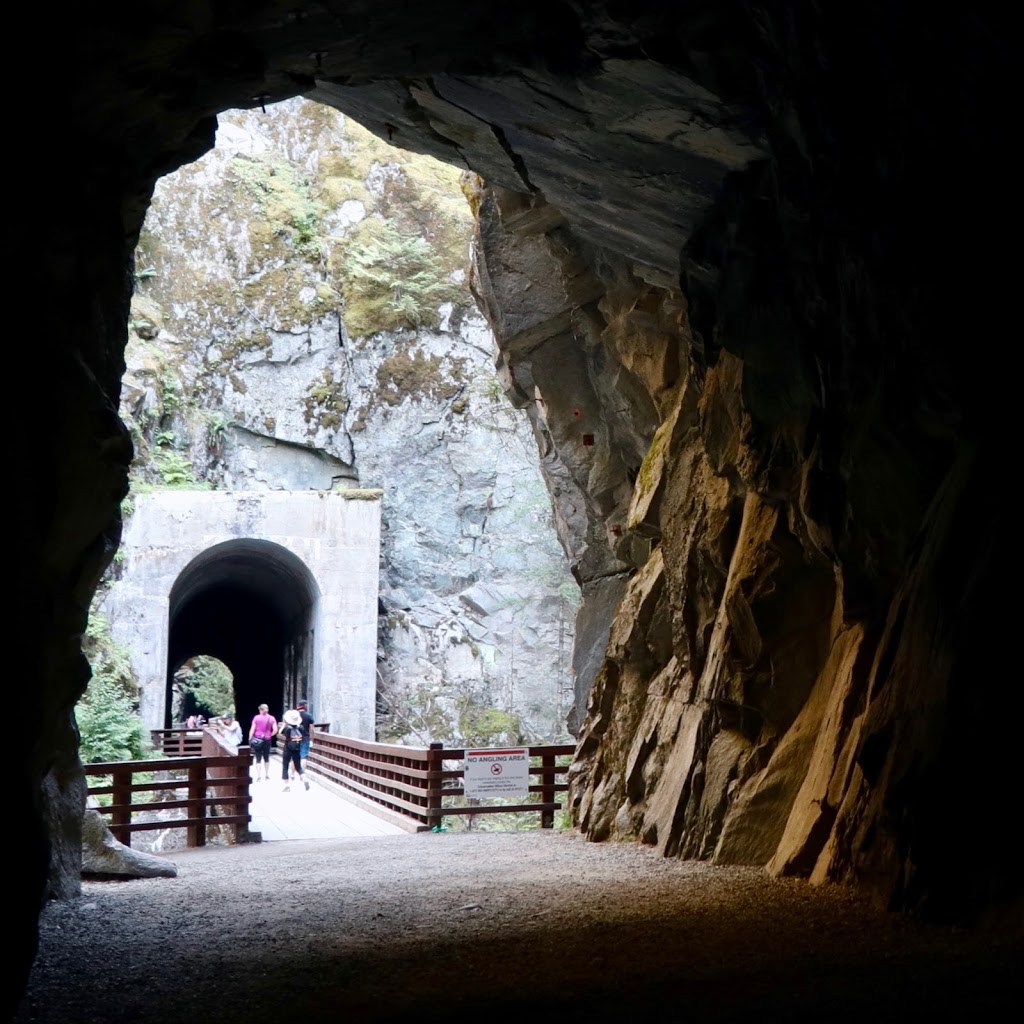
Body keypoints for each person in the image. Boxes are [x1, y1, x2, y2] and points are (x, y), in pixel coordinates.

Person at [278, 709, 309, 791]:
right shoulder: (301, 728)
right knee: (298, 766)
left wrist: (284, 724)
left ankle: (287, 785)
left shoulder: (288, 729)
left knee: (285, 766)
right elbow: (304, 735)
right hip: (297, 748)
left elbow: (279, 732)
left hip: (287, 749)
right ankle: (304, 778)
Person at [248, 703, 277, 782]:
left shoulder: (256, 718)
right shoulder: (272, 718)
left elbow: (252, 729)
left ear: (260, 710)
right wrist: (269, 735)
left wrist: (250, 739)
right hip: (267, 739)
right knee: (266, 757)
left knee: (258, 758)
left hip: (258, 739)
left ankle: (259, 776)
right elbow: (275, 730)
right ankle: (267, 775)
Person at [296, 699, 315, 769]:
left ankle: (292, 774)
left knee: (294, 756)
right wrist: (311, 740)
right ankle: (302, 773)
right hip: (305, 737)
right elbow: (312, 729)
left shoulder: (295, 715)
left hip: (295, 737)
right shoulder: (309, 716)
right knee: (303, 756)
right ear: (305, 706)